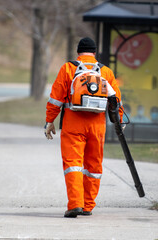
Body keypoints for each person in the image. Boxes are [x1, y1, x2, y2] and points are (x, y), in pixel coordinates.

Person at [45, 37, 123, 218]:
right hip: (97, 125)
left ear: (78, 52)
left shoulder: (68, 68)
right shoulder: (106, 72)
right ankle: (88, 206)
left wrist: (50, 121)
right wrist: (118, 120)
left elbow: (55, 98)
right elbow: (116, 101)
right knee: (93, 165)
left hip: (73, 122)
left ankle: (75, 204)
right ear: (95, 53)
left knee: (73, 164)